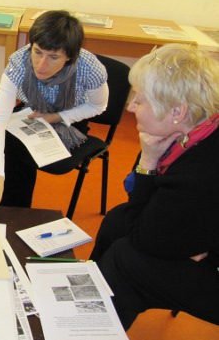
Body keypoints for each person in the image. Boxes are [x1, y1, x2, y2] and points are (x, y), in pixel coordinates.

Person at [89, 44, 219, 330]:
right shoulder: (192, 131)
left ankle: (89, 326)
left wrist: (148, 161)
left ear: (177, 111)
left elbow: (142, 238)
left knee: (126, 261)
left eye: (139, 99)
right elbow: (145, 208)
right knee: (116, 221)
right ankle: (86, 298)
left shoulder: (198, 173)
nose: (130, 107)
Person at [0, 10, 108, 216]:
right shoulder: (19, 63)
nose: (41, 65)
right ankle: (12, 213)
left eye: (53, 57)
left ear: (69, 57)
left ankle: (15, 212)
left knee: (17, 152)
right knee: (11, 143)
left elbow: (98, 106)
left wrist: (57, 117)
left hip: (70, 119)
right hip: (31, 110)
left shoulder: (89, 68)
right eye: (37, 52)